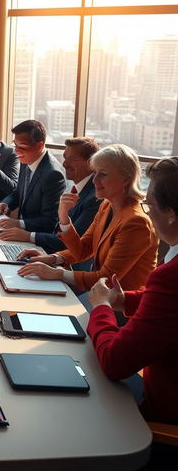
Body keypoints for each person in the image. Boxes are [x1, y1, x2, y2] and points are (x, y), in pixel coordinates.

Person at [87, 156, 178, 424]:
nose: (148, 212)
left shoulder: (171, 275)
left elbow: (114, 363)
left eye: (150, 205)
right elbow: (167, 308)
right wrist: (124, 299)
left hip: (163, 419)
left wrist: (101, 307)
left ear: (171, 213)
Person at [17, 144, 157, 293]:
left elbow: (107, 279)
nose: (94, 180)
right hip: (100, 295)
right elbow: (83, 250)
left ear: (126, 180)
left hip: (120, 308)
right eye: (94, 173)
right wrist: (52, 257)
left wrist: (56, 273)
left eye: (102, 174)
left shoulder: (136, 222)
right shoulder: (106, 206)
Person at [0, 137, 102, 253]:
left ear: (91, 163)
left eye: (71, 159)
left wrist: (29, 236)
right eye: (65, 158)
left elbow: (72, 243)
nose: (64, 164)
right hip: (51, 254)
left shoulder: (95, 199)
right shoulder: (78, 189)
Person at [0, 119, 65, 232]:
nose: (16, 151)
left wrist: (18, 224)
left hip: (36, 240)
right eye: (15, 145)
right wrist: (5, 203)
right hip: (20, 232)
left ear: (39, 145)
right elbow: (19, 192)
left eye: (22, 147)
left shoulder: (53, 175)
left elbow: (50, 222)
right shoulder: (26, 160)